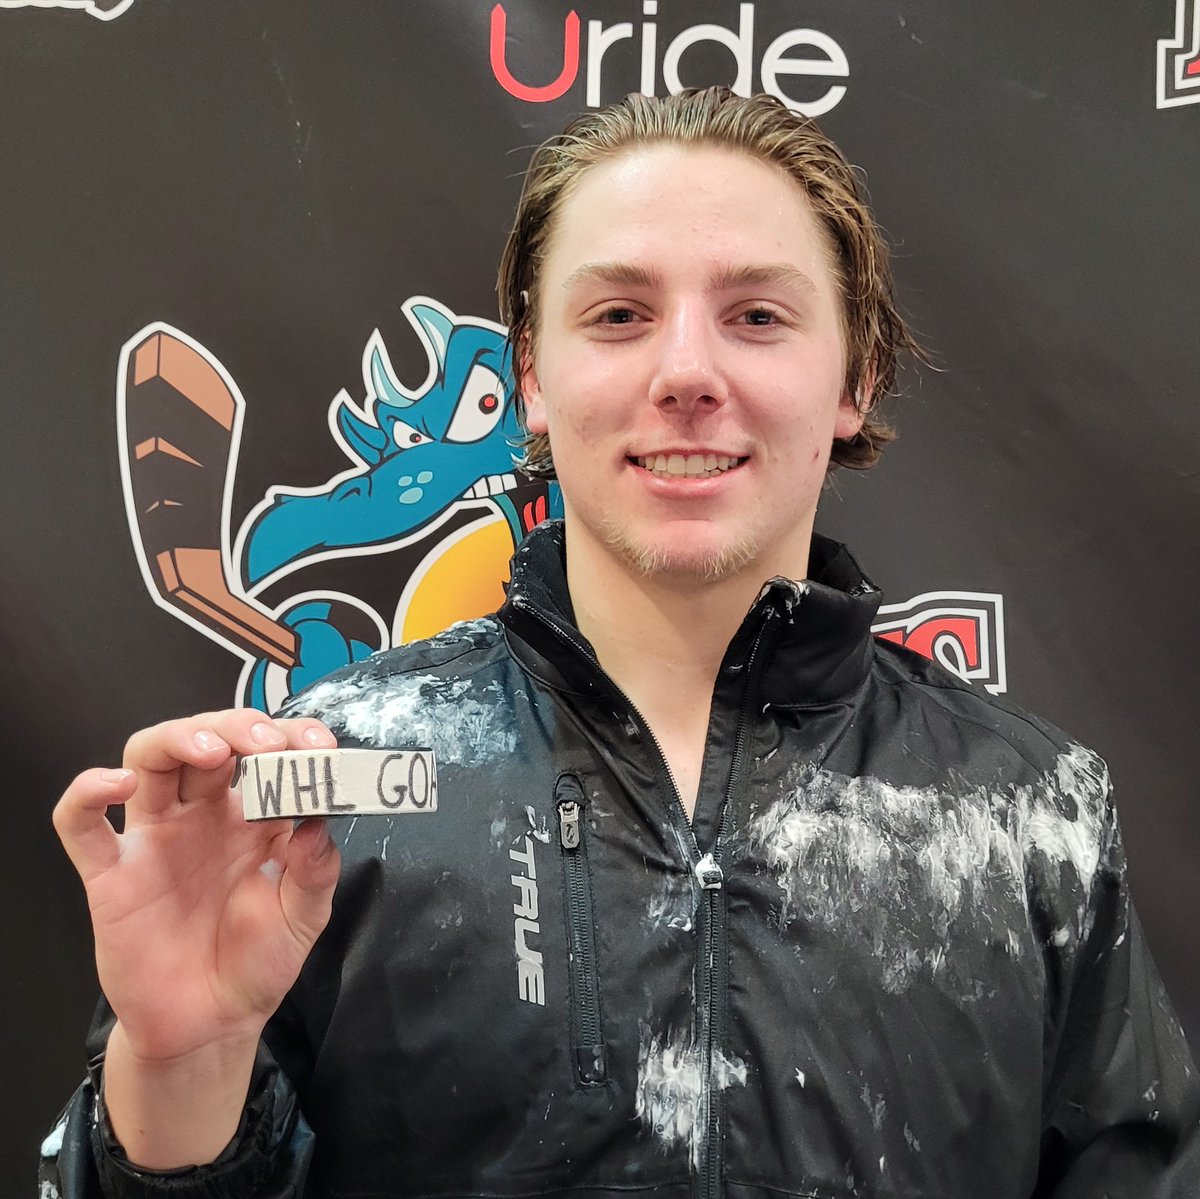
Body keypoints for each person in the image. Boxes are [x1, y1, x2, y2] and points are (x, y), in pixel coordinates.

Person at [42, 87, 1200, 1199]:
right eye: (618, 315)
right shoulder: (322, 786)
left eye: (756, 314)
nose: (686, 373)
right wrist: (181, 1065)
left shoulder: (1031, 809)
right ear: (533, 380)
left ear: (857, 375)